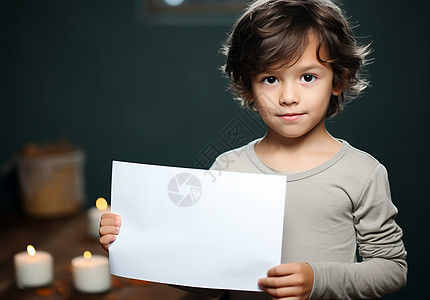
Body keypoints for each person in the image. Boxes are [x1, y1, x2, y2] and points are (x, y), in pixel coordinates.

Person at [100, 0, 407, 299]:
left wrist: (317, 280)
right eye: (270, 79)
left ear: (338, 80)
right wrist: (135, 244)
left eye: (308, 77)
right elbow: (211, 280)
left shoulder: (362, 172)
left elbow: (391, 269)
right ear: (248, 87)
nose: (288, 96)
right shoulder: (228, 169)